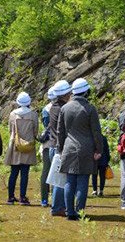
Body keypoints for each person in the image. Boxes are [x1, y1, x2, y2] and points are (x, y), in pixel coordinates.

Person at [58, 78, 103, 221]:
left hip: (68, 147)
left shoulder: (64, 108)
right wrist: (99, 149)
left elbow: (60, 131)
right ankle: (80, 212)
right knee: (83, 180)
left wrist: (60, 149)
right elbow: (96, 132)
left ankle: (69, 212)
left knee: (69, 181)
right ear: (86, 92)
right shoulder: (90, 108)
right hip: (86, 149)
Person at [4, 92, 39, 205]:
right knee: (25, 173)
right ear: (29, 102)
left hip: (15, 145)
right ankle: (22, 198)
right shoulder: (33, 115)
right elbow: (35, 131)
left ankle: (10, 197)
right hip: (28, 145)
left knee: (13, 172)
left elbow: (10, 130)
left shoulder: (12, 114)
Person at [48, 80, 72, 216]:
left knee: (59, 179)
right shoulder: (63, 109)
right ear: (65, 94)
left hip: (53, 146)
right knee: (60, 180)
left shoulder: (53, 107)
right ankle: (58, 208)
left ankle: (59, 206)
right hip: (59, 147)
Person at [40, 86, 56, 207]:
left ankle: (44, 199)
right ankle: (56, 199)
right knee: (57, 172)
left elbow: (45, 125)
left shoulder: (45, 109)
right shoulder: (62, 107)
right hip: (57, 144)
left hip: (46, 144)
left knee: (46, 171)